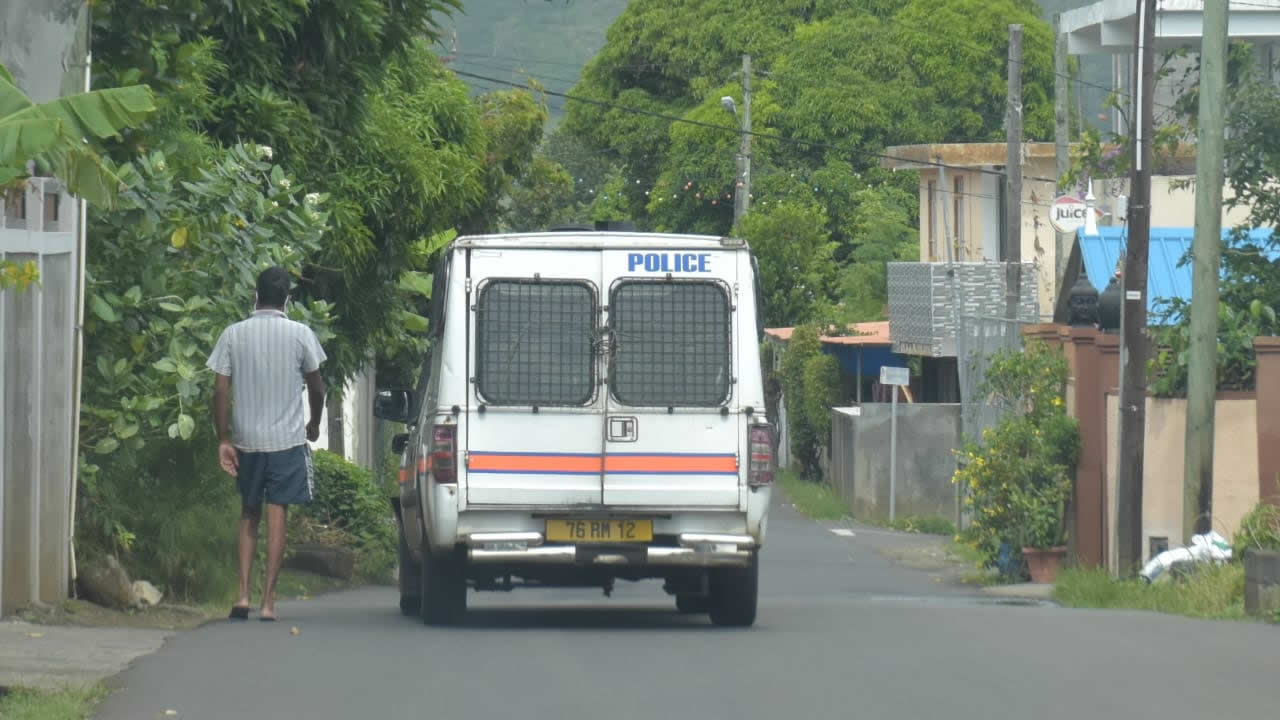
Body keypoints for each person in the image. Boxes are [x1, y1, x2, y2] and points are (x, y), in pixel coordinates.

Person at [207, 266, 327, 622]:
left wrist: (224, 438)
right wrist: (315, 422)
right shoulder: (300, 334)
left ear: (255, 296)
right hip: (286, 441)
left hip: (246, 439)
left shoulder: (233, 335)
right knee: (277, 515)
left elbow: (219, 389)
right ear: (288, 299)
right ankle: (268, 602)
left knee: (248, 513)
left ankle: (242, 594)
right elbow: (318, 387)